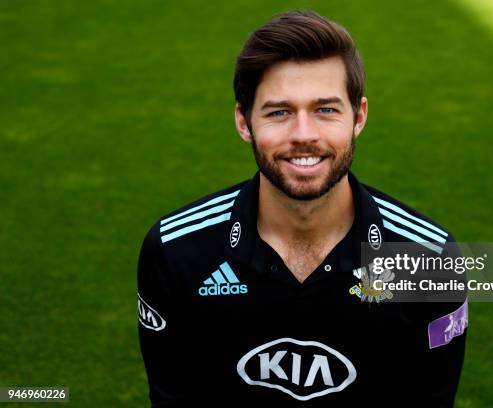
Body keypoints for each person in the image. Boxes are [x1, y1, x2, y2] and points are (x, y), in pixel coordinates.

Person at [138, 10, 467, 406]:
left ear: (358, 116)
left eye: (326, 109)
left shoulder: (429, 260)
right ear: (243, 122)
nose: (304, 135)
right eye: (279, 112)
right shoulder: (176, 251)